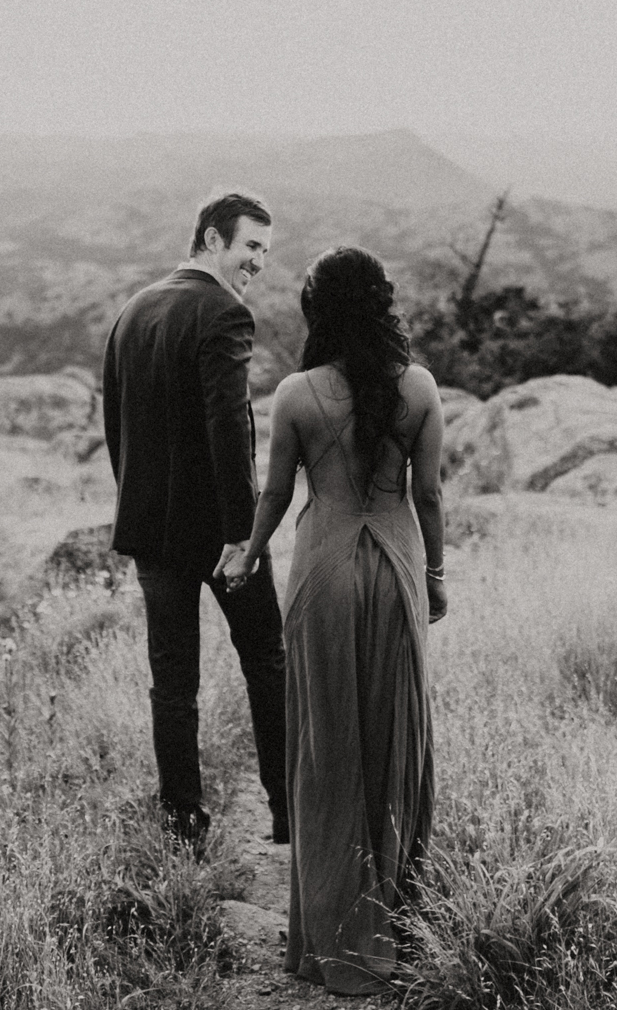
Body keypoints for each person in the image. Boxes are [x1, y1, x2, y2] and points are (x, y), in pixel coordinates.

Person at [218, 245, 446, 996]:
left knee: (328, 745)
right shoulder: (418, 387)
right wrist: (435, 578)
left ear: (318, 313)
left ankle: (329, 934)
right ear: (383, 306)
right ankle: (397, 924)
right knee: (394, 740)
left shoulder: (294, 392)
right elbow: (431, 498)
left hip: (321, 572)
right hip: (395, 569)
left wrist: (249, 556)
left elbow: (276, 492)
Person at [101, 191, 289, 851]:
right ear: (212, 239)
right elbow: (229, 429)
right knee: (267, 658)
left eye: (266, 249)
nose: (259, 262)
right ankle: (288, 810)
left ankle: (184, 828)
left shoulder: (135, 309)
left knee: (172, 683)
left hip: (150, 529)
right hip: (217, 532)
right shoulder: (223, 312)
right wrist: (243, 533)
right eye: (251, 246)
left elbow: (114, 425)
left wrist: (138, 502)